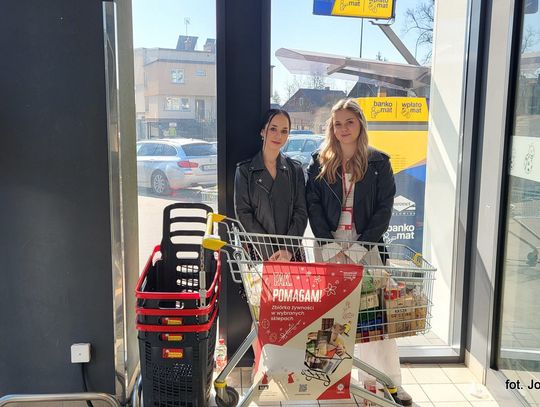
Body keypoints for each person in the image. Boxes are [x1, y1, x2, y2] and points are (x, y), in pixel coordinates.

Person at [305, 98, 411, 406]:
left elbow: (384, 209)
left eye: (349, 122)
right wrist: (331, 245)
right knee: (330, 318)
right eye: (337, 123)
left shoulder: (379, 163)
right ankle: (328, 379)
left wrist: (359, 247)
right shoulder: (319, 161)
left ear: (360, 124)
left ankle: (388, 383)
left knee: (374, 318)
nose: (343, 129)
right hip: (328, 247)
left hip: (367, 246)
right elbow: (313, 205)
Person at [234, 109, 308, 261]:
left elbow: (301, 212)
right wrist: (268, 252)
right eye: (273, 129)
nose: (278, 135)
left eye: (284, 131)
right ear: (263, 131)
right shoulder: (245, 170)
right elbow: (243, 213)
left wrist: (287, 250)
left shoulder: (295, 170)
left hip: (291, 254)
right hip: (259, 252)